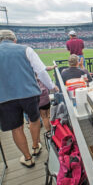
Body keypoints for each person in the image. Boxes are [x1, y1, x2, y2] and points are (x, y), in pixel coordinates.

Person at [0, 30, 59, 168]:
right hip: (29, 93)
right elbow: (41, 71)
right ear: (14, 40)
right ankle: (35, 146)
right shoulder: (26, 49)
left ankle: (27, 158)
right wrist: (51, 86)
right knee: (34, 120)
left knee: (17, 128)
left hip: (5, 97)